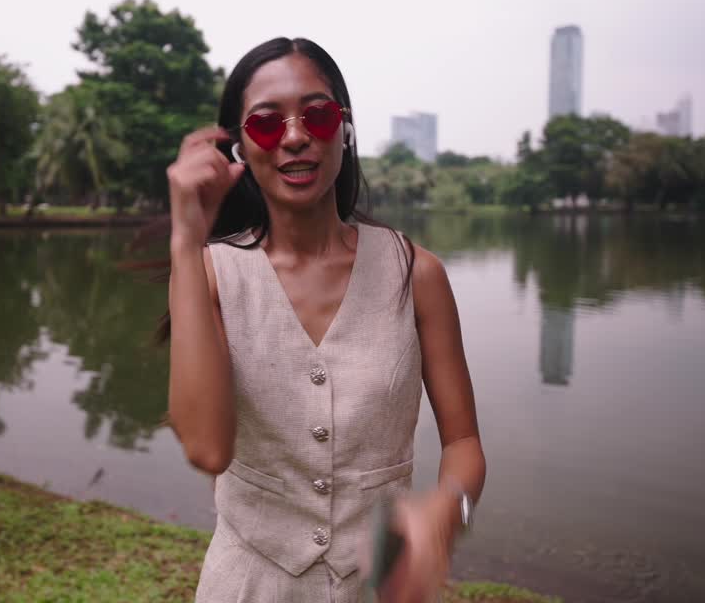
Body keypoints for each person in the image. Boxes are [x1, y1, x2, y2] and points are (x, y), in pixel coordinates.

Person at [165, 37, 486, 602]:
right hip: (247, 587)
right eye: (265, 125)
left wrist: (443, 516)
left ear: (345, 127)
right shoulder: (209, 274)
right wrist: (185, 241)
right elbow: (208, 449)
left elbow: (462, 442)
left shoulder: (418, 275)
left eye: (317, 114)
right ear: (239, 147)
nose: (294, 138)